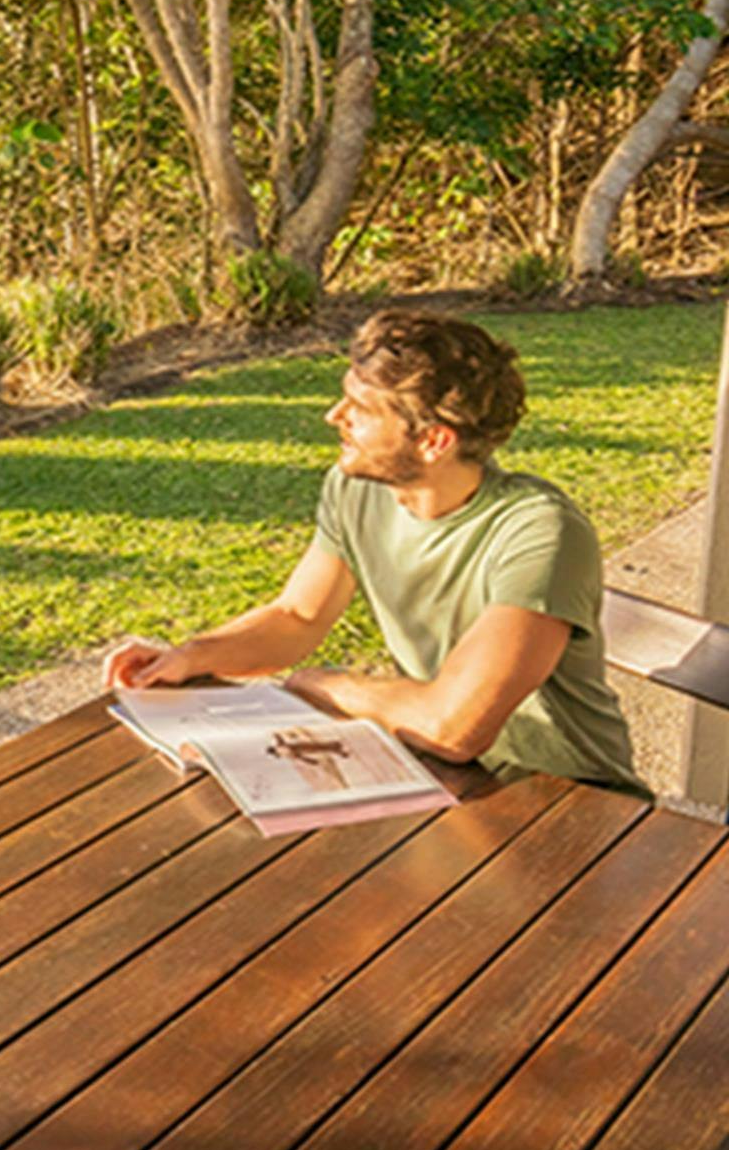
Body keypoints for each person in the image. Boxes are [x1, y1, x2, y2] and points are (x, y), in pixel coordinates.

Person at [105, 310, 642, 794]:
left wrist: (322, 684)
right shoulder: (358, 489)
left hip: (572, 802)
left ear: (434, 441)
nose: (334, 416)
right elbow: (297, 616)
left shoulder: (539, 533)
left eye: (360, 409)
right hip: (444, 782)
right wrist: (191, 655)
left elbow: (452, 727)